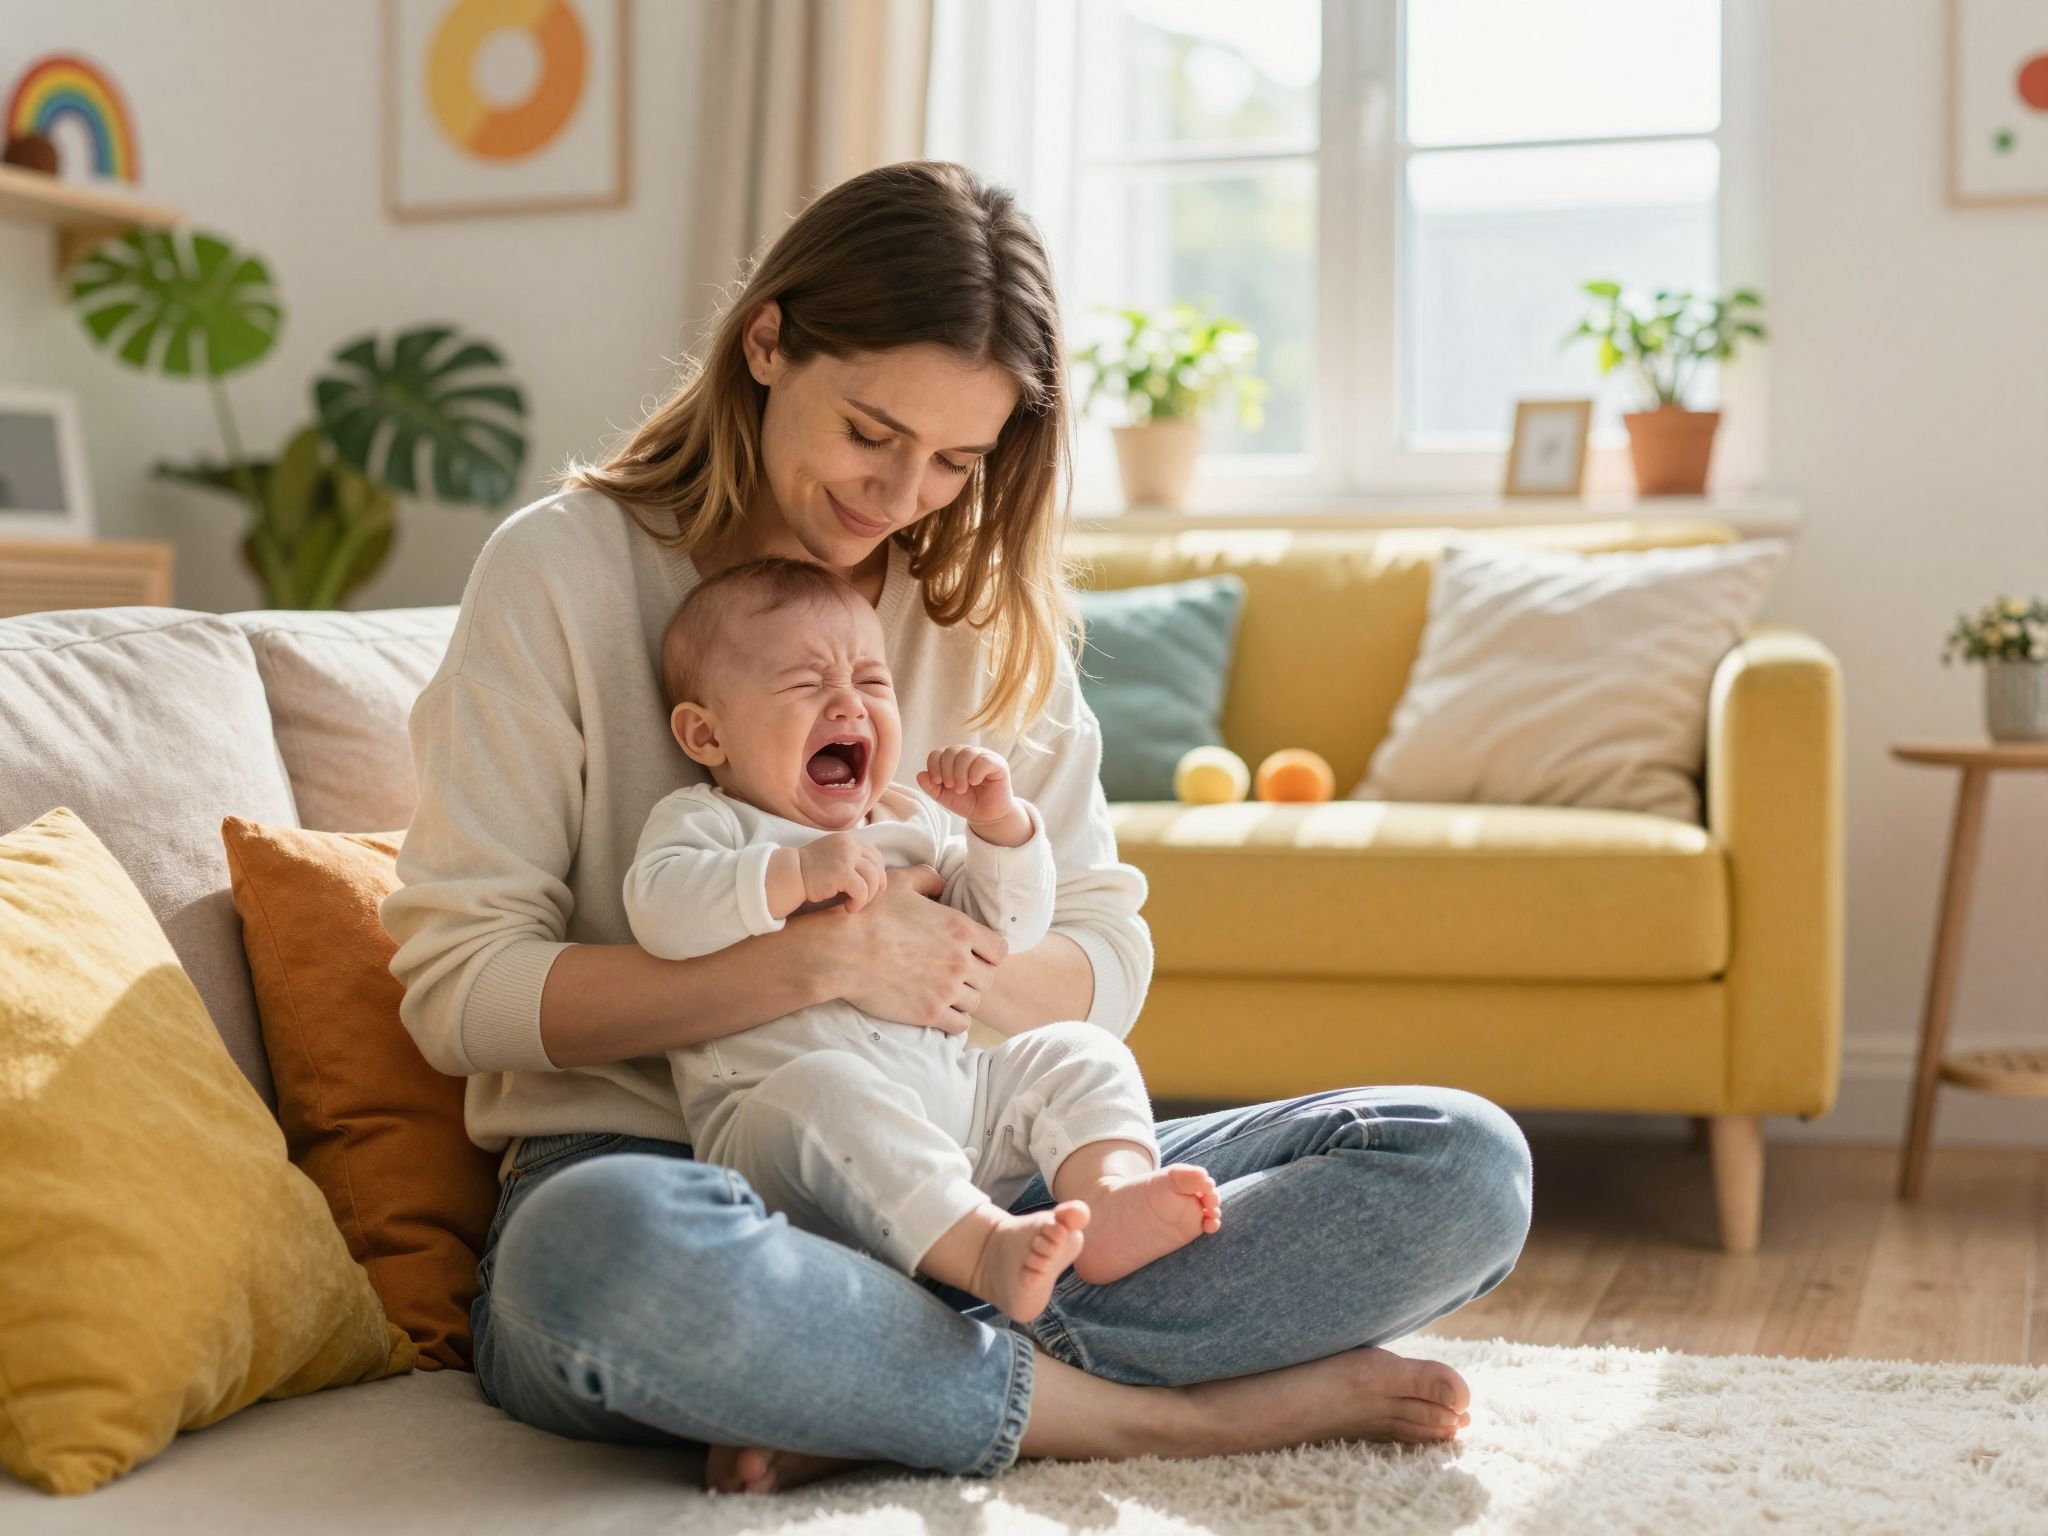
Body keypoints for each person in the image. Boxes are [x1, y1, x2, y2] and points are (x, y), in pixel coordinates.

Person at [382, 159, 1533, 1495]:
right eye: (872, 433)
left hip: (989, 1169)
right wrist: (813, 963)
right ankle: (1176, 1419)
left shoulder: (981, 617)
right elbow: (462, 993)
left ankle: (862, 1379)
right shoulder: (562, 571)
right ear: (768, 342)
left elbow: (1104, 960)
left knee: (1460, 1165)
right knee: (600, 1271)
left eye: (955, 461)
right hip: (674, 1169)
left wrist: (936, 965)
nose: (900, 493)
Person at [623, 555, 1222, 1324]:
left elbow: (1002, 933)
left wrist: (999, 831)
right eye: (807, 686)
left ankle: (1106, 1202)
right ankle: (983, 1253)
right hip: (785, 1140)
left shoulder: (908, 820)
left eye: (871, 684)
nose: (849, 707)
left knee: (1077, 1052)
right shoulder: (709, 823)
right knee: (828, 1088)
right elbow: (662, 914)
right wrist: (792, 875)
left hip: (958, 1116)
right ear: (706, 733)